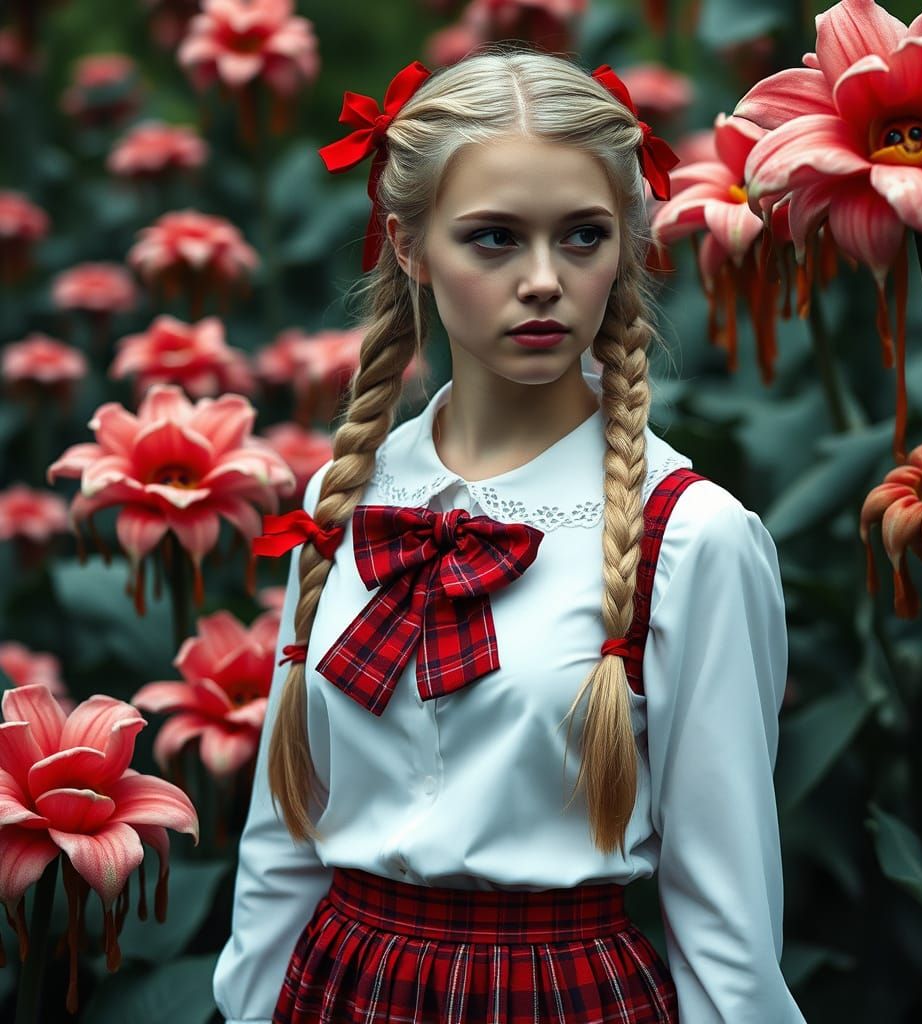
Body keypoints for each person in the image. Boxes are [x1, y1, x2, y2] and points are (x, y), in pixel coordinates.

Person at [213, 46, 806, 1024]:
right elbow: (283, 840)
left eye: (581, 236)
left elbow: (725, 911)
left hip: (560, 994)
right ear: (407, 244)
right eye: (492, 239)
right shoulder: (345, 494)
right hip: (338, 990)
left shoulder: (691, 535)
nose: (543, 280)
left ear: (625, 243)